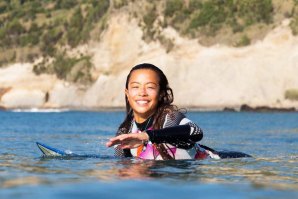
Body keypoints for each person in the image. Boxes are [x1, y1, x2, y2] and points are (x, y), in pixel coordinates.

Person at [105, 63, 216, 160]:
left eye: (150, 87)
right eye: (135, 87)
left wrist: (146, 136)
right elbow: (120, 163)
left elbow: (195, 131)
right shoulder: (125, 130)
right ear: (127, 93)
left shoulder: (169, 118)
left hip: (217, 164)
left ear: (161, 93)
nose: (142, 92)